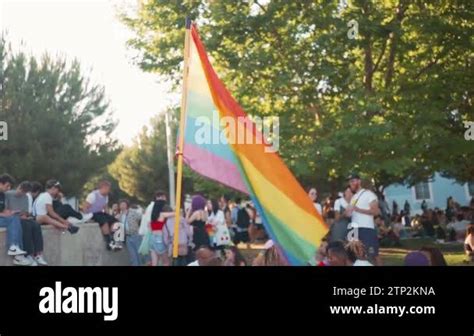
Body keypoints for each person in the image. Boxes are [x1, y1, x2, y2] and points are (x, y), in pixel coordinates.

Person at [5, 181, 47, 266]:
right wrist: (15, 213)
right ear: (18, 187)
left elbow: (26, 212)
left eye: (24, 192)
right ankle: (28, 254)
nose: (21, 192)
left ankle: (38, 254)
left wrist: (24, 214)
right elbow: (5, 210)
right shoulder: (8, 194)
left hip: (22, 217)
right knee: (26, 226)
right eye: (21, 190)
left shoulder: (25, 197)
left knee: (35, 225)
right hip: (12, 218)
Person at [344, 173, 382, 265]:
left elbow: (375, 211)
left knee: (372, 254)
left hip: (366, 228)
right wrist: (348, 208)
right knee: (351, 255)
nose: (351, 184)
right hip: (353, 228)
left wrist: (358, 209)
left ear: (359, 181)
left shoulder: (369, 194)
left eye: (353, 181)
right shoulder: (353, 197)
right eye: (350, 182)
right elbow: (349, 214)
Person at [83, 180, 123, 250]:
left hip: (100, 212)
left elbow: (105, 207)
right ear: (103, 187)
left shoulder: (106, 196)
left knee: (115, 221)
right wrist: (86, 218)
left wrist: (110, 216)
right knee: (104, 222)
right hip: (92, 214)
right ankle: (109, 242)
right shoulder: (93, 195)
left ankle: (114, 239)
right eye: (108, 189)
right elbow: (85, 207)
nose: (109, 190)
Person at [0, 174, 29, 265]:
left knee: (15, 218)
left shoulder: (2, 194)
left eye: (10, 186)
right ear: (0, 183)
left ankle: (16, 251)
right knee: (13, 220)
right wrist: (4, 214)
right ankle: (16, 252)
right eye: (7, 186)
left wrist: (10, 212)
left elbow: (2, 209)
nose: (8, 188)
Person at [141, 192, 175, 266]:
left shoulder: (152, 217)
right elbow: (176, 213)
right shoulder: (162, 215)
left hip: (152, 239)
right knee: (166, 262)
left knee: (154, 263)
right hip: (160, 239)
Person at [118, 199, 143, 266]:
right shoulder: (120, 215)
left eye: (124, 204)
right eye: (121, 204)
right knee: (132, 255)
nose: (122, 206)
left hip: (136, 235)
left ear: (127, 205)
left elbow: (142, 218)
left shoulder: (133, 212)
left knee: (139, 254)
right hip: (128, 237)